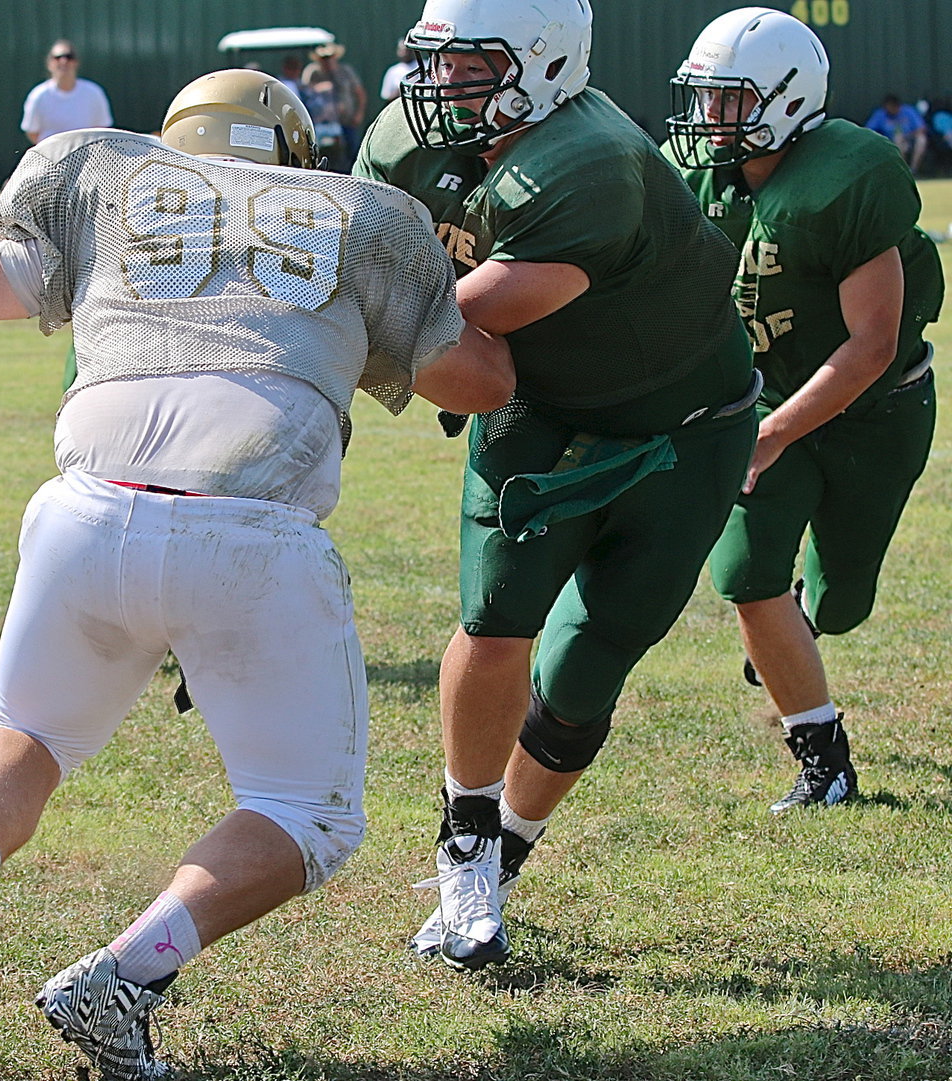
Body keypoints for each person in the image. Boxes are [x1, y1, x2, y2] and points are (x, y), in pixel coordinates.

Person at [0, 68, 513, 1076]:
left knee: (24, 732)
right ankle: (124, 974)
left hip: (85, 508)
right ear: (296, 161)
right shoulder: (356, 216)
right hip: (250, 526)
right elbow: (482, 380)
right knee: (308, 815)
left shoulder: (115, 184)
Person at [354, 0, 758, 972]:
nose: (440, 87)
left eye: (470, 67)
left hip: (687, 428)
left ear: (541, 64)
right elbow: (363, 256)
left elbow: (459, 318)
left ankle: (504, 855)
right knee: (496, 622)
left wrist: (347, 335)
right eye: (436, 64)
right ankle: (465, 845)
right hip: (541, 407)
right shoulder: (407, 133)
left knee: (587, 663)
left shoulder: (585, 160)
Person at [665, 8, 943, 813]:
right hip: (765, 399)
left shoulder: (845, 177)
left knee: (844, 599)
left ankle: (812, 620)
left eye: (728, 102)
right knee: (747, 575)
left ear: (787, 100)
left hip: (875, 412)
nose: (707, 121)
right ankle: (825, 761)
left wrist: (775, 434)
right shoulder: (700, 181)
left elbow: (872, 344)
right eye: (704, 99)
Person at [20, 39, 114, 145]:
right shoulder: (38, 95)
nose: (63, 61)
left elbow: (102, 128)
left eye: (69, 57)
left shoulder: (94, 93)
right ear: (49, 64)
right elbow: (32, 131)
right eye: (57, 57)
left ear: (76, 62)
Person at [303, 42, 367, 168]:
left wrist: (359, 113)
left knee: (352, 151)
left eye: (329, 58)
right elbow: (305, 91)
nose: (327, 61)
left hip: (346, 120)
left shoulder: (346, 71)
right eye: (324, 59)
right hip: (323, 122)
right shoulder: (313, 72)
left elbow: (360, 93)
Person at [865, 93, 928, 174]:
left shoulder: (908, 111)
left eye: (893, 106)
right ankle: (903, 171)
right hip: (889, 142)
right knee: (898, 139)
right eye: (889, 106)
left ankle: (913, 169)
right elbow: (868, 130)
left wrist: (906, 136)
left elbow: (922, 128)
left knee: (921, 139)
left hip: (910, 139)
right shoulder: (880, 114)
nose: (891, 108)